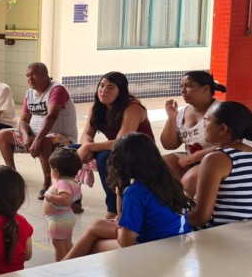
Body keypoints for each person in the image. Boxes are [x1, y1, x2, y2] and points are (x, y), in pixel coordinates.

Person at [64, 133, 194, 260]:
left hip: (155, 252)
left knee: (96, 245)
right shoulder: (167, 180)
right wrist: (120, 201)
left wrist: (118, 228)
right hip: (178, 242)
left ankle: (62, 269)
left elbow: (126, 242)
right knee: (96, 225)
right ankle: (64, 266)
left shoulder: (135, 192)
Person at [76, 72, 154, 220]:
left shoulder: (133, 108)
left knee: (106, 158)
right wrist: (86, 146)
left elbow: (122, 142)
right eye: (101, 85)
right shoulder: (97, 107)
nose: (103, 90)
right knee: (71, 151)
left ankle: (113, 209)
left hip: (140, 153)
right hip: (117, 149)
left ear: (121, 92)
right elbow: (87, 134)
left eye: (110, 88)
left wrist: (89, 148)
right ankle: (71, 198)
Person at [0, 63, 78, 202]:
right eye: (27, 75)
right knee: (3, 134)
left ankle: (47, 182)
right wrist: (26, 136)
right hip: (35, 138)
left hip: (62, 138)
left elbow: (51, 116)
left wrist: (37, 139)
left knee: (44, 142)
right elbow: (23, 121)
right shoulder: (29, 94)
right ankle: (14, 178)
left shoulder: (57, 90)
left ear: (45, 75)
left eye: (33, 74)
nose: (30, 78)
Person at [187, 101, 252, 228]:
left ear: (223, 128)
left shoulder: (216, 159)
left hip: (222, 236)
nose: (203, 126)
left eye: (206, 120)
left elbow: (201, 217)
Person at [160, 71, 225, 192]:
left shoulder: (221, 111)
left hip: (217, 159)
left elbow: (230, 144)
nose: (183, 91)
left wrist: (195, 157)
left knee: (191, 178)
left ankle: (199, 203)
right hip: (191, 160)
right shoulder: (183, 113)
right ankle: (183, 199)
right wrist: (172, 117)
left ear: (205, 89)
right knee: (160, 163)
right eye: (181, 86)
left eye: (189, 86)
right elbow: (169, 145)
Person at [43, 148, 82, 261]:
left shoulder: (63, 183)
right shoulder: (73, 182)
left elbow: (66, 200)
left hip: (59, 220)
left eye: (51, 169)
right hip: (67, 217)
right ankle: (72, 262)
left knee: (59, 246)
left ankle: (60, 267)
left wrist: (50, 197)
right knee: (67, 242)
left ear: (56, 171)